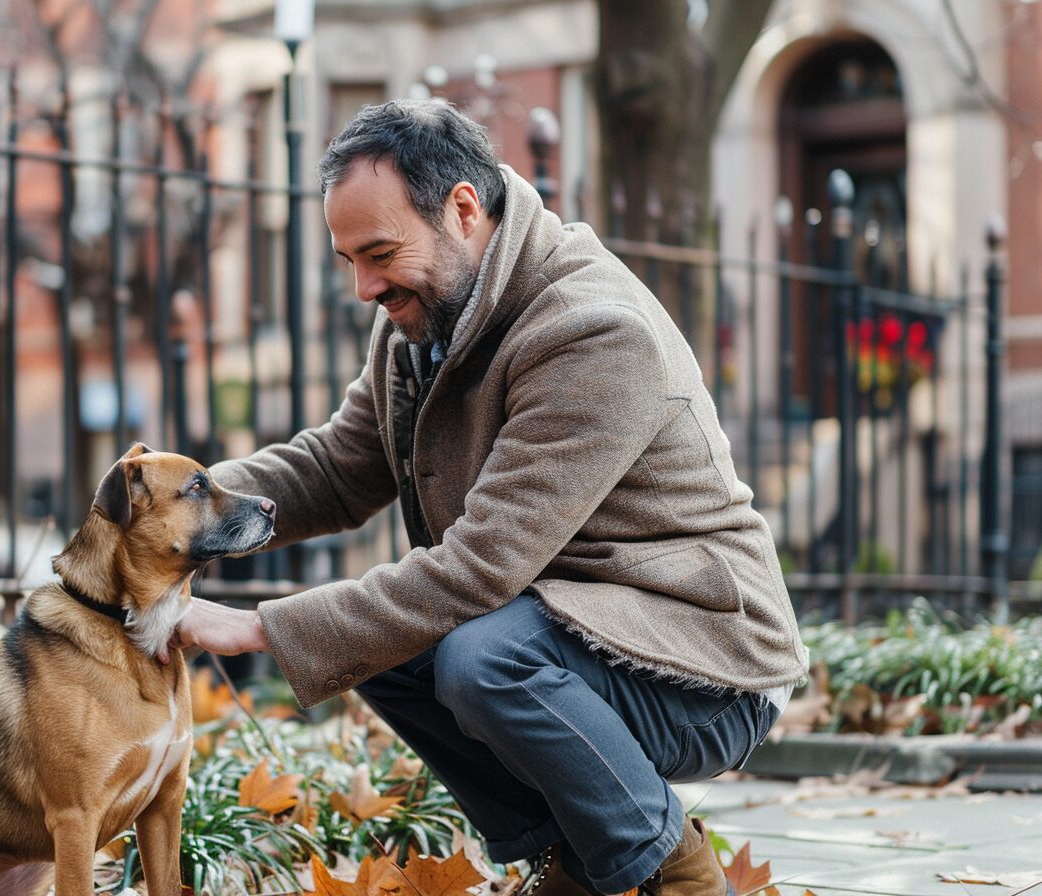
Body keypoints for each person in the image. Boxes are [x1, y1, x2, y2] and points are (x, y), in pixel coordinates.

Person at [169, 99, 808, 896]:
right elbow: (337, 467)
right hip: (574, 624)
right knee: (380, 646)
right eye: (349, 262)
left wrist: (261, 627)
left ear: (463, 210)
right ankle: (580, 858)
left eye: (379, 254)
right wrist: (177, 510)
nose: (364, 286)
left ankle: (674, 871)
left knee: (482, 658)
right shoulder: (424, 314)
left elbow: (478, 571)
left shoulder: (592, 331)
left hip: (703, 664)